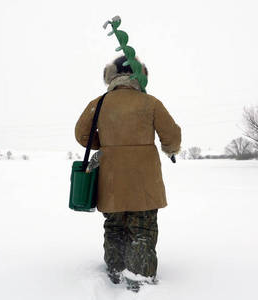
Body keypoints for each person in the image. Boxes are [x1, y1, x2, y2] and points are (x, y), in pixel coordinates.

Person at [74, 56, 181, 292]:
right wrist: (171, 150)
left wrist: (107, 144)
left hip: (110, 182)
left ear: (111, 76)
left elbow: (81, 135)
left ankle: (114, 274)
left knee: (114, 228)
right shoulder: (151, 102)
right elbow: (171, 136)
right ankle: (140, 281)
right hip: (145, 182)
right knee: (142, 229)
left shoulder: (99, 103)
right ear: (140, 75)